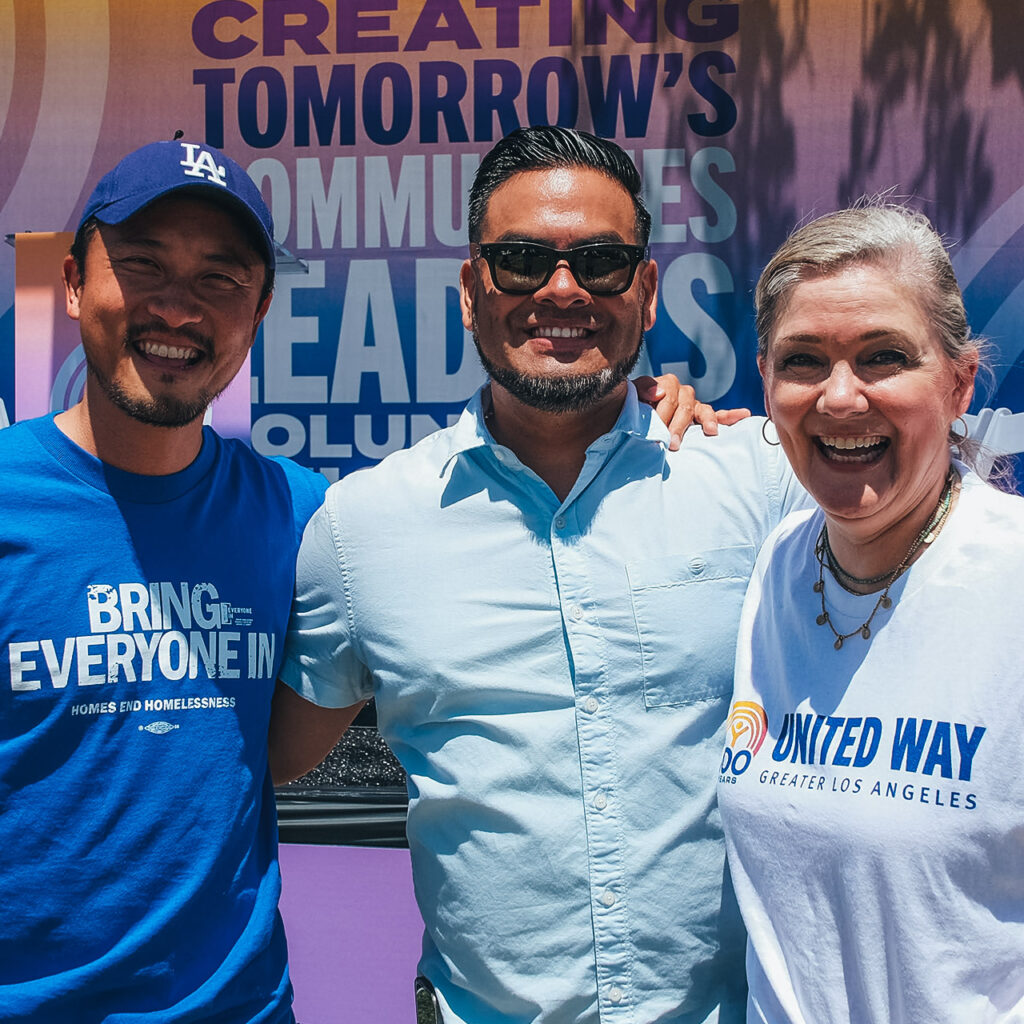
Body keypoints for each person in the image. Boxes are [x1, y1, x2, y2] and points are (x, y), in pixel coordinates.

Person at [272, 126, 809, 1024]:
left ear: (644, 291)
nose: (561, 290)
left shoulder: (759, 478)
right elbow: (258, 760)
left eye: (600, 261)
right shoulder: (363, 525)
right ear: (471, 288)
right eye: (521, 259)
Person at [0, 139, 330, 1021]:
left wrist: (652, 420)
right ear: (71, 283)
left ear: (257, 313)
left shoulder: (303, 516)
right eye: (142, 264)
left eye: (221, 280)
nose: (177, 308)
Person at [717, 204, 1024, 1023]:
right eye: (804, 361)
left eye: (884, 357)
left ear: (960, 383)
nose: (841, 399)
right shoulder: (773, 567)